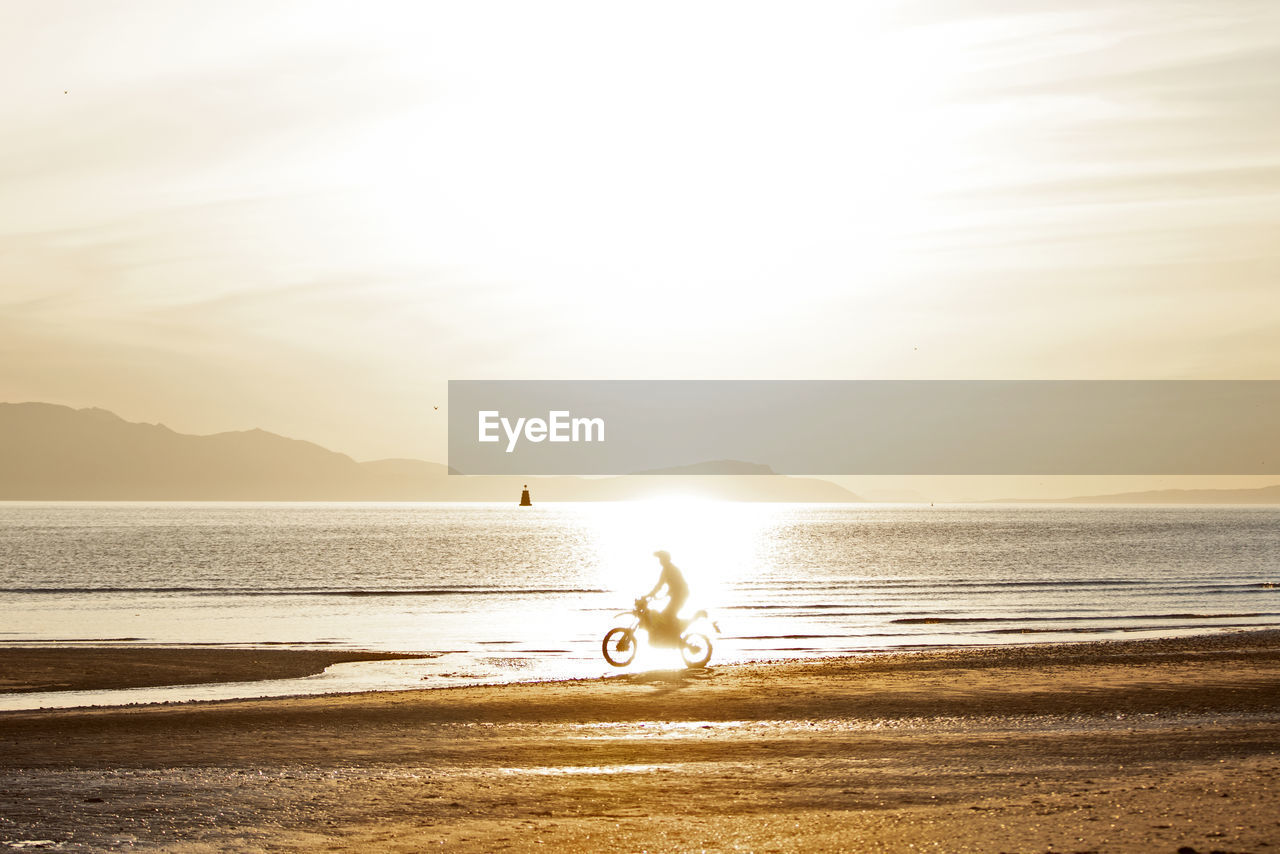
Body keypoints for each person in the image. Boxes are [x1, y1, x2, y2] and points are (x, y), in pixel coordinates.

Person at [645, 550, 689, 637]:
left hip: (681, 595)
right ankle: (671, 635)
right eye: (660, 559)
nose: (660, 561)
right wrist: (651, 594)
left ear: (666, 559)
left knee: (668, 616)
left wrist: (649, 595)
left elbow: (659, 586)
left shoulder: (670, 569)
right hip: (677, 595)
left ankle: (675, 636)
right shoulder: (667, 569)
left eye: (661, 559)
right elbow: (660, 585)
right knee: (665, 616)